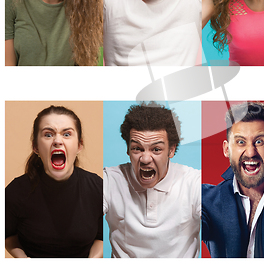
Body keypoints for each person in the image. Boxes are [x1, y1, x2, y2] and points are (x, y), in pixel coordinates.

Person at [202, 102, 264, 257]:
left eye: (259, 141)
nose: (251, 152)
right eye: (241, 142)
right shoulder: (205, 199)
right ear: (227, 149)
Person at [103, 102, 200, 258]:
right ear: (128, 149)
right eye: (137, 148)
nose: (145, 159)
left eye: (156, 149)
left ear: (171, 150)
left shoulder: (193, 182)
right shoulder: (110, 180)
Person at [5, 106, 103, 258]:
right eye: (48, 134)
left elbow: (102, 237)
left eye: (67, 134)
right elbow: (8, 236)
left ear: (79, 145)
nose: (58, 140)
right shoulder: (15, 191)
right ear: (35, 147)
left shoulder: (98, 188)